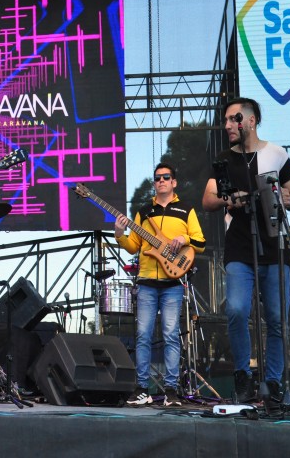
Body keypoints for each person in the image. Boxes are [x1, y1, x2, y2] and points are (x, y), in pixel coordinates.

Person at [202, 97, 290, 403]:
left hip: (274, 246)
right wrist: (227, 200)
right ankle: (242, 377)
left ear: (251, 120)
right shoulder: (223, 159)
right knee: (236, 309)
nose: (228, 125)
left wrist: (286, 198)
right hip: (239, 247)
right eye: (227, 120)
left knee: (275, 318)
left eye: (233, 119)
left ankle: (272, 384)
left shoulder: (277, 154)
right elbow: (208, 200)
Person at [116, 162, 206, 407]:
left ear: (174, 182)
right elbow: (133, 246)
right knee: (143, 336)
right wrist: (119, 235)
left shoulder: (186, 210)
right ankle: (142, 388)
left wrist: (183, 237)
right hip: (146, 281)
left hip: (173, 282)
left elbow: (200, 242)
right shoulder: (143, 212)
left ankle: (171, 390)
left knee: (170, 336)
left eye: (166, 177)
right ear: (154, 183)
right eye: (157, 178)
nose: (162, 181)